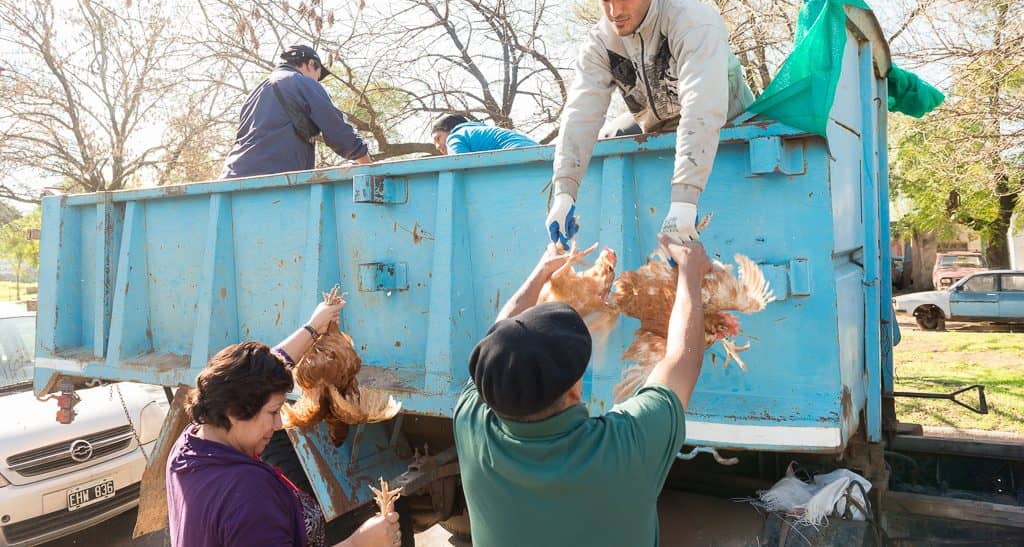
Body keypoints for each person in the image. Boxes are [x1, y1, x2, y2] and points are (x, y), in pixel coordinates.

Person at [453, 236, 712, 547]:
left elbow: (499, 335)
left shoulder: (470, 425)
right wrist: (690, 273)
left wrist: (542, 270)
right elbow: (682, 359)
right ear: (575, 389)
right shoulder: (624, 447)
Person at [546, 0, 754, 247]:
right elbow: (580, 112)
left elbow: (702, 108)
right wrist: (563, 191)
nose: (614, 11)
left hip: (729, 124)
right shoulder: (599, 42)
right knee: (609, 134)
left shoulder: (694, 22)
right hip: (660, 125)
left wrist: (685, 198)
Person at [166, 296, 401, 547]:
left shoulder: (191, 444)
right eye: (273, 412)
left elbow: (258, 377)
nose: (278, 424)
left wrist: (313, 328)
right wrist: (359, 543)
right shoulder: (247, 494)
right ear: (235, 412)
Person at [222, 44, 371, 178]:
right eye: (317, 76)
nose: (316, 81)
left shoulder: (254, 92)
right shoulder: (301, 82)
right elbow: (337, 131)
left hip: (232, 178)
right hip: (272, 181)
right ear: (311, 64)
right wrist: (368, 166)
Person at [430, 113, 538, 155]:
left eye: (438, 138)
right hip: (538, 151)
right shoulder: (477, 132)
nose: (437, 146)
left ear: (450, 129)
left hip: (518, 154)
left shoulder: (455, 137)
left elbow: (460, 165)